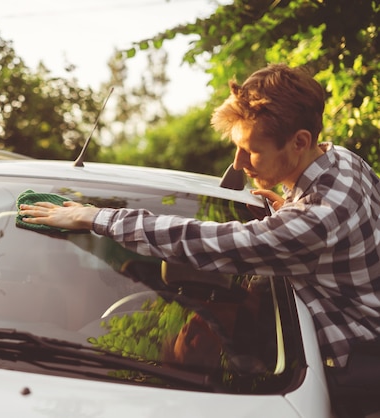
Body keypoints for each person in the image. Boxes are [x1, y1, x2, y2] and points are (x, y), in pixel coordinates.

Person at [19, 64, 380, 416]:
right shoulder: (343, 161)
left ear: (300, 141)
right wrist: (292, 213)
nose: (239, 163)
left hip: (353, 371)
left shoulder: (318, 218)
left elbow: (207, 241)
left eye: (250, 150)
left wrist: (95, 216)